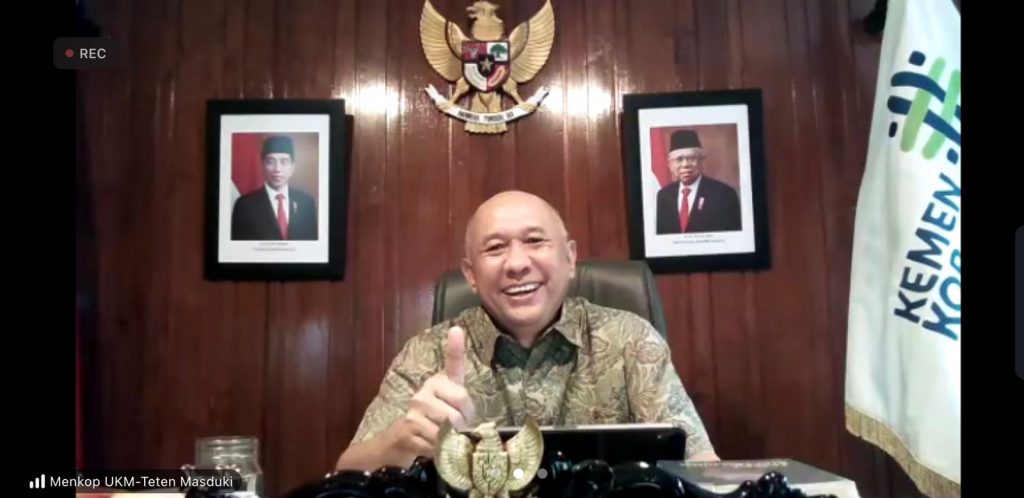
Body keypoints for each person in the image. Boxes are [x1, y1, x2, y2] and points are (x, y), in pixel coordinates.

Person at [334, 190, 719, 471]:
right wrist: (401, 442)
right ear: (470, 275)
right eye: (495, 248)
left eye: (535, 241)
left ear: (570, 258)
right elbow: (346, 473)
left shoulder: (630, 339)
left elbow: (701, 464)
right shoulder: (427, 353)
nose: (517, 263)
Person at [231, 135, 318, 240]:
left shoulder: (306, 202)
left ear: (292, 167)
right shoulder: (244, 205)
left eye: (284, 161)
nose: (277, 169)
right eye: (271, 162)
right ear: (262, 166)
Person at [655, 130, 741, 234]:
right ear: (670, 164)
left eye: (691, 158)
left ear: (702, 161)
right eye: (679, 159)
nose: (685, 165)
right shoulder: (663, 196)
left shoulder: (724, 194)